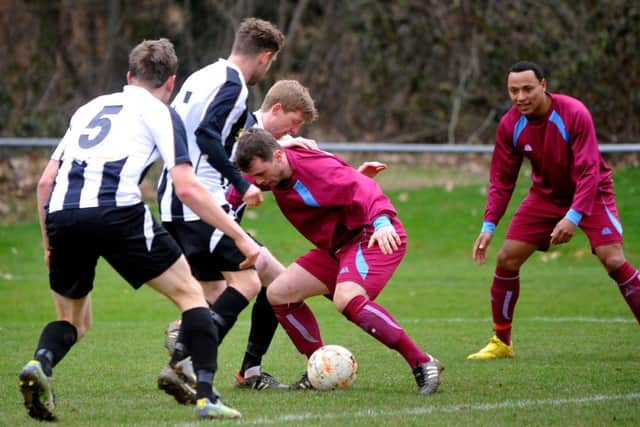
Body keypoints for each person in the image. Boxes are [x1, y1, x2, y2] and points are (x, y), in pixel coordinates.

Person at [18, 38, 260, 422]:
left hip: (63, 215)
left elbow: (46, 182)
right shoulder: (162, 112)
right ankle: (206, 396)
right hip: (117, 210)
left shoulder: (89, 108)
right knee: (191, 296)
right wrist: (240, 234)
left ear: (128, 76)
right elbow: (186, 186)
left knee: (74, 322)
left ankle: (40, 362)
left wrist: (50, 242)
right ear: (171, 82)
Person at [234, 127, 444, 395]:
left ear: (278, 156)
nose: (259, 183)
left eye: (261, 175)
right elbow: (237, 187)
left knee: (346, 299)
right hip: (338, 247)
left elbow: (363, 187)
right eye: (254, 177)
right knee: (279, 293)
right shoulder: (272, 165)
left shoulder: (312, 166)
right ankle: (320, 369)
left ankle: (422, 362)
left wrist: (381, 221)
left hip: (371, 236)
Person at [467, 61, 640, 360]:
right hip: (545, 197)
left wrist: (573, 217)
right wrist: (488, 225)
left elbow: (589, 171)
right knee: (507, 258)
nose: (520, 97)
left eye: (527, 89)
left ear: (543, 85)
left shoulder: (574, 113)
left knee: (612, 259)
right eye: (513, 90)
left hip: (592, 192)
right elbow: (502, 180)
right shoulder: (510, 125)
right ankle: (502, 342)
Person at [156, 18, 287, 397]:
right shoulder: (233, 85)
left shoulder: (200, 76)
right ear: (264, 57)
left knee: (211, 291)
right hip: (202, 201)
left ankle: (183, 357)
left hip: (172, 197)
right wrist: (242, 182)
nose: (267, 69)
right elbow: (206, 135)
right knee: (249, 279)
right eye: (270, 62)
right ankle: (185, 361)